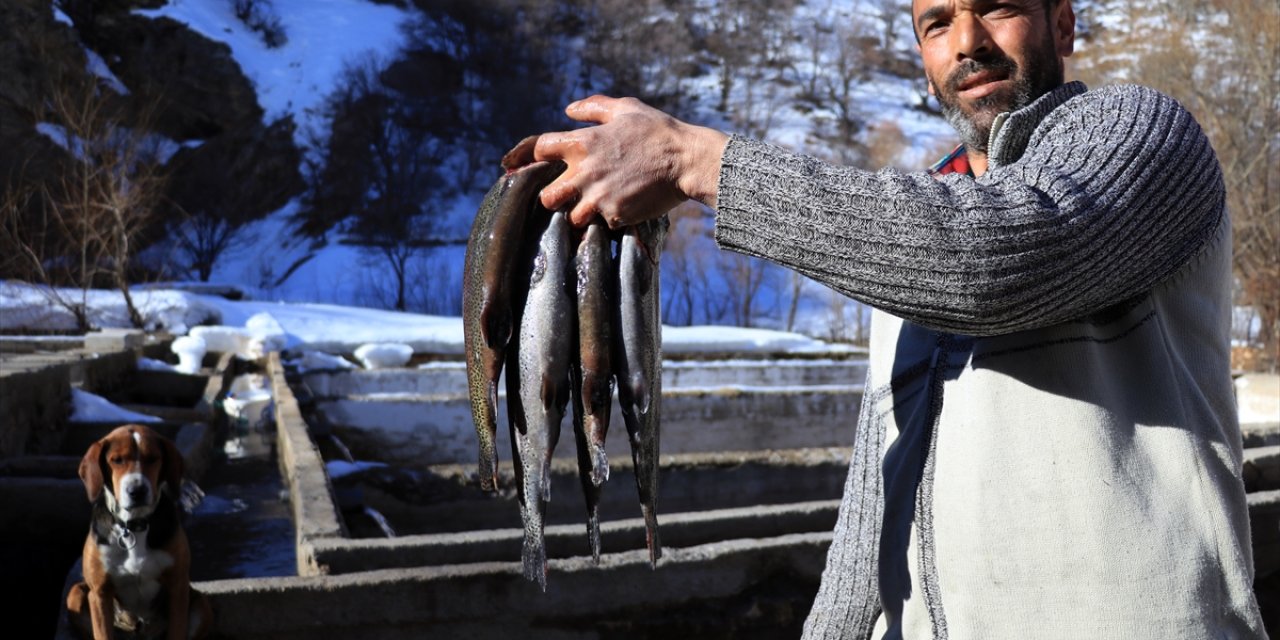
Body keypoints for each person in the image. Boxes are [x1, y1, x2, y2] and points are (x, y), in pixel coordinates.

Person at [511, 0, 1267, 637]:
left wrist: (699, 163)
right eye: (938, 22)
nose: (967, 43)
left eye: (996, 8)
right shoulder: (906, 224)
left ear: (1062, 24)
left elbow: (995, 259)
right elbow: (874, 506)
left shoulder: (1144, 136)